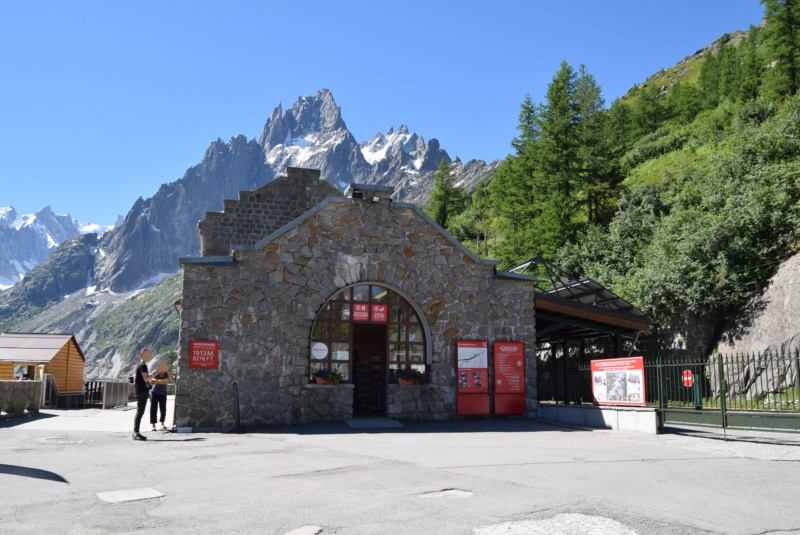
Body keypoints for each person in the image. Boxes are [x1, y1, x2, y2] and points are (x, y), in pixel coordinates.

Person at [132, 348, 154, 441]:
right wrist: (154, 373)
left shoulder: (140, 366)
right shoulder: (143, 366)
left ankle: (136, 432)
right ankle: (136, 432)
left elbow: (143, 380)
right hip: (141, 392)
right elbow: (145, 379)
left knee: (140, 412)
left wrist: (148, 385)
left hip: (140, 391)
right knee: (140, 412)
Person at [149, 360, 173, 431]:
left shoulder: (166, 374)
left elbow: (171, 381)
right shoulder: (156, 373)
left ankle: (162, 423)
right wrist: (155, 380)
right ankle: (153, 425)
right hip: (154, 393)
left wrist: (168, 372)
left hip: (163, 393)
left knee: (163, 409)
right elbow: (150, 380)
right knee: (153, 409)